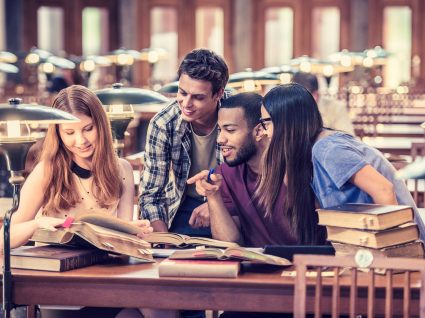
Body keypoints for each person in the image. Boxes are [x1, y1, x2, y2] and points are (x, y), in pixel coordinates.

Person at [1, 85, 153, 318]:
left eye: (88, 129)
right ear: (58, 134)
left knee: (153, 305)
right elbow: (5, 239)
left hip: (105, 279)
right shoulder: (47, 170)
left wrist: (132, 233)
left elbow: (122, 247)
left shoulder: (121, 168)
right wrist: (35, 224)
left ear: (100, 125)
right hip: (61, 284)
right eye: (69, 133)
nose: (80, 140)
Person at [257, 83, 425, 241]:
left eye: (266, 123)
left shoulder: (328, 149)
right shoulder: (314, 148)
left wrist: (394, 253)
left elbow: (384, 190)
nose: (264, 132)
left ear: (286, 121)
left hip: (403, 255)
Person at [187, 92, 309, 247]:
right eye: (220, 130)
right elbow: (230, 243)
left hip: (305, 265)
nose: (220, 140)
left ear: (259, 131)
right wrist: (213, 196)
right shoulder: (225, 174)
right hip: (256, 266)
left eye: (230, 130)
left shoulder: (296, 168)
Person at [139, 48, 229, 238]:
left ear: (218, 93)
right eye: (182, 92)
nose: (186, 103)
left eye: (198, 97)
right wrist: (163, 241)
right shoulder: (163, 123)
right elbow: (151, 195)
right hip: (184, 207)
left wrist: (218, 205)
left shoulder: (239, 115)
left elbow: (258, 184)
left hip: (232, 205)